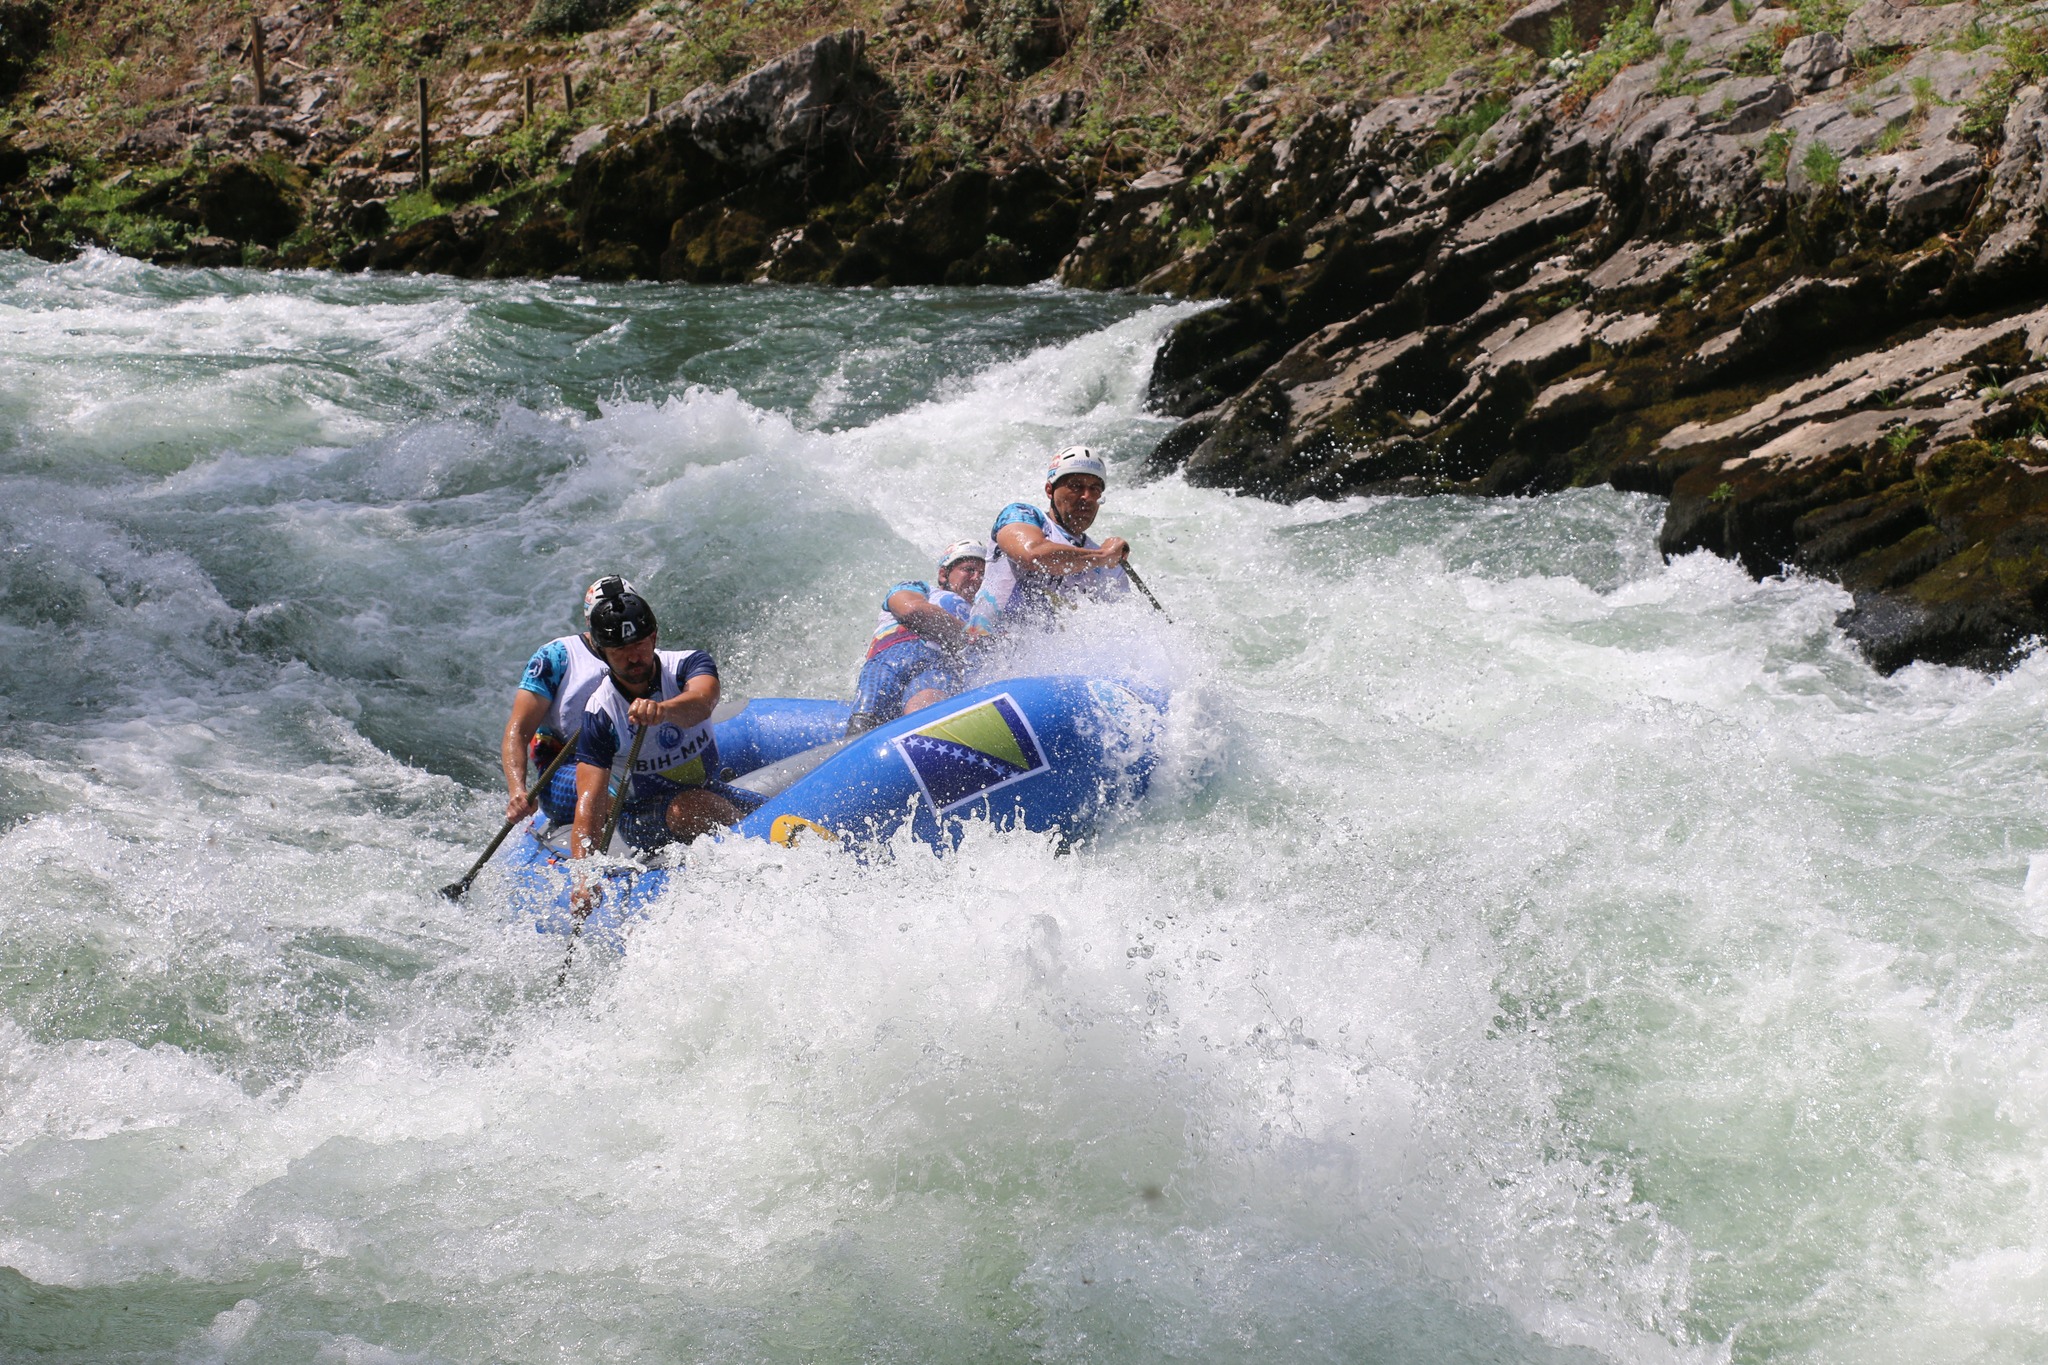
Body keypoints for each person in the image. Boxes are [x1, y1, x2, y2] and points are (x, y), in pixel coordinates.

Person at [569, 580, 763, 860]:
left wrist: (664, 710)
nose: (633, 657)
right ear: (602, 653)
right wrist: (584, 878)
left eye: (638, 644)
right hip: (640, 817)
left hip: (708, 790)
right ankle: (756, 854)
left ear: (654, 638)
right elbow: (590, 802)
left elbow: (703, 702)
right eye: (619, 651)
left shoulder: (689, 664)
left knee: (785, 813)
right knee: (693, 806)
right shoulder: (601, 714)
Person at [501, 576, 636, 828]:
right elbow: (517, 731)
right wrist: (517, 790)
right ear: (590, 620)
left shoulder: (641, 653)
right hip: (566, 769)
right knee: (609, 789)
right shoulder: (556, 657)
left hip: (627, 759)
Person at [968, 445, 1131, 640]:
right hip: (986, 655)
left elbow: (1118, 632)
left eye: (1094, 489)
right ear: (1049, 490)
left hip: (1052, 666)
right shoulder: (1021, 515)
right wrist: (1102, 556)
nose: (1086, 497)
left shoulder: (1110, 566)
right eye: (1076, 486)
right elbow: (1033, 555)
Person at [845, 540, 986, 737]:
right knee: (865, 721)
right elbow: (911, 610)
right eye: (968, 569)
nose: (977, 578)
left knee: (922, 723)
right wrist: (968, 637)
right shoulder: (919, 589)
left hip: (940, 667)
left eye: (982, 574)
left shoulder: (981, 615)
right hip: (892, 657)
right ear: (944, 574)